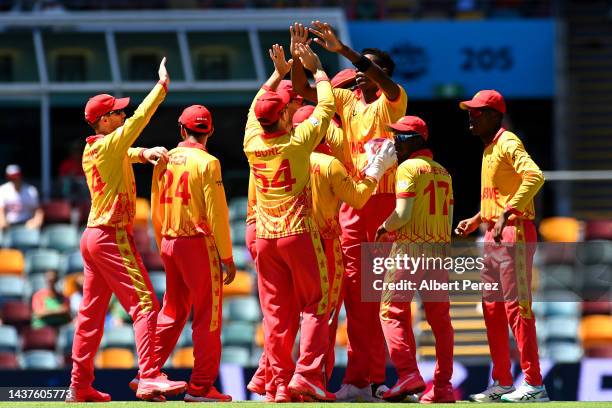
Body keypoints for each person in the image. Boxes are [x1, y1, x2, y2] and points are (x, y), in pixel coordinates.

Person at [291, 21, 408, 401]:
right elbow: (302, 91)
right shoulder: (347, 101)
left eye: (366, 69)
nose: (358, 74)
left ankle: (367, 380)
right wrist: (300, 60)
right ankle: (355, 380)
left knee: (364, 301)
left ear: (382, 74)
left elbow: (383, 83)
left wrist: (344, 51)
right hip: (353, 203)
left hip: (380, 204)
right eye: (358, 69)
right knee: (348, 298)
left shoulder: (393, 99)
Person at [68, 58, 186, 402]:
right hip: (111, 234)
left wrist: (143, 153)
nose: (123, 114)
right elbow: (137, 123)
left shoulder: (96, 147)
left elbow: (124, 149)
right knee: (146, 303)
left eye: (121, 112)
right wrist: (161, 87)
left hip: (92, 236)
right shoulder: (109, 144)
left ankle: (79, 386)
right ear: (104, 120)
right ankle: (149, 375)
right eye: (117, 112)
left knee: (90, 316)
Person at [243, 42, 335, 402]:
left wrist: (279, 73)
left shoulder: (251, 142)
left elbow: (256, 107)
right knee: (315, 304)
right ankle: (308, 376)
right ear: (283, 116)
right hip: (297, 233)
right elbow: (327, 107)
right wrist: (318, 69)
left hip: (265, 237)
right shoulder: (298, 143)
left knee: (277, 316)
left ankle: (279, 385)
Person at [454, 90, 548, 403]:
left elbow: (534, 175)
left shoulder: (508, 142)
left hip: (515, 233)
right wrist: (478, 216)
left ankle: (534, 384)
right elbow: (498, 195)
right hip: (495, 234)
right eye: (471, 111)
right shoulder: (489, 148)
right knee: (492, 309)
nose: (472, 116)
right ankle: (503, 382)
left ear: (495, 115)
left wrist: (508, 212)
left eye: (478, 112)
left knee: (516, 308)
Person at [146, 104, 236, 402]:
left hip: (170, 241)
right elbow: (218, 215)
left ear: (182, 129)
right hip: (197, 244)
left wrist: (163, 242)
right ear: (209, 131)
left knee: (172, 311)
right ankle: (200, 387)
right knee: (208, 317)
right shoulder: (209, 163)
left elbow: (156, 204)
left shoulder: (165, 158)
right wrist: (226, 257)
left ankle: (147, 373)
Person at [374, 116, 455, 403]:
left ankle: (408, 373)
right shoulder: (444, 172)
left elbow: (403, 214)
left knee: (390, 312)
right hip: (439, 253)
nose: (395, 141)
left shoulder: (407, 168)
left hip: (409, 250)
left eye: (401, 137)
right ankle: (443, 386)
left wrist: (385, 227)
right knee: (440, 321)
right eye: (396, 135)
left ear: (418, 140)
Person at [0, 164, 44, 230]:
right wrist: (2, 222)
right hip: (9, 225)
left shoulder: (31, 190)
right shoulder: (3, 189)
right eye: (12, 177)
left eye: (16, 176)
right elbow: (1, 211)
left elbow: (38, 211)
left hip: (26, 224)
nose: (15, 179)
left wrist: (36, 222)